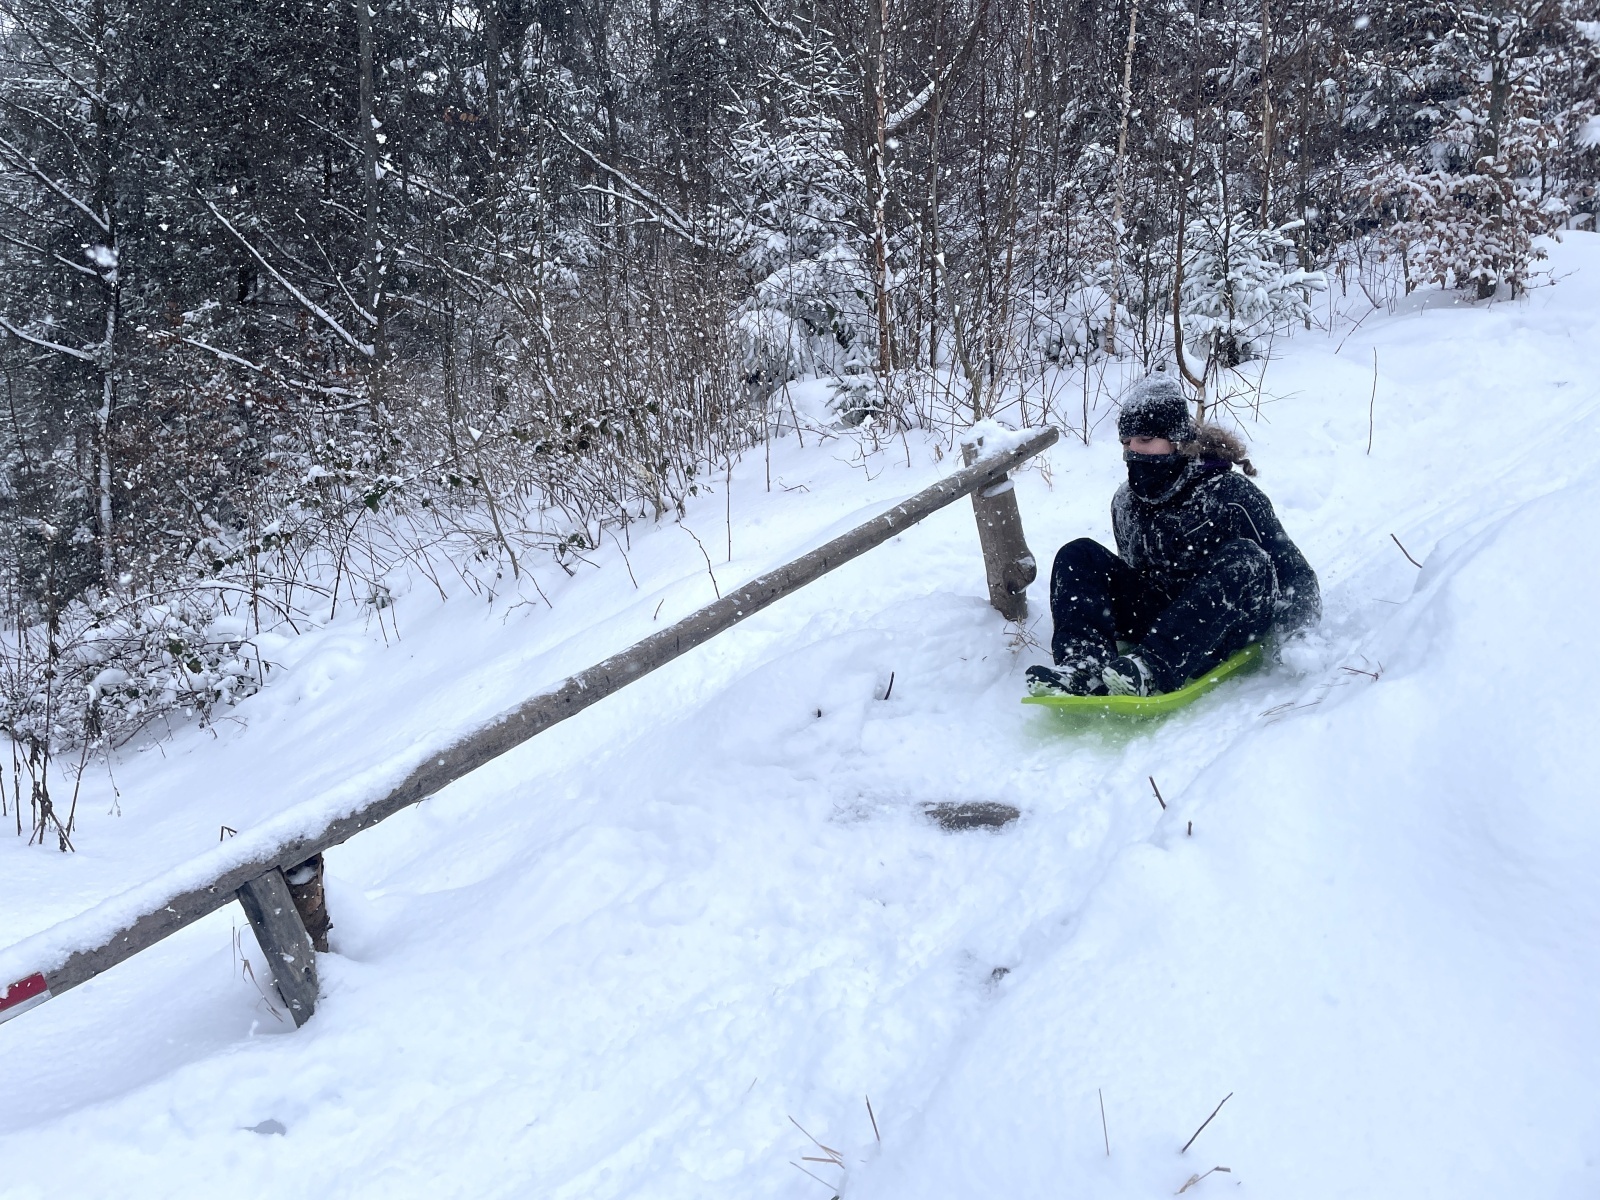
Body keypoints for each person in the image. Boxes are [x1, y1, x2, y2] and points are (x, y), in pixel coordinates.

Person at [1027, 375, 1319, 698]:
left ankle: (1153, 668)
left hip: (1227, 623)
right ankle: (1085, 665)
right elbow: (1133, 575)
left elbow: (1295, 573)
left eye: (1145, 438)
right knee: (1078, 554)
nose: (1133, 451)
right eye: (1126, 442)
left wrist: (1299, 635)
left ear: (1177, 440)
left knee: (1247, 559)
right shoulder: (1126, 502)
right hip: (1163, 616)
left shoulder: (1229, 494)